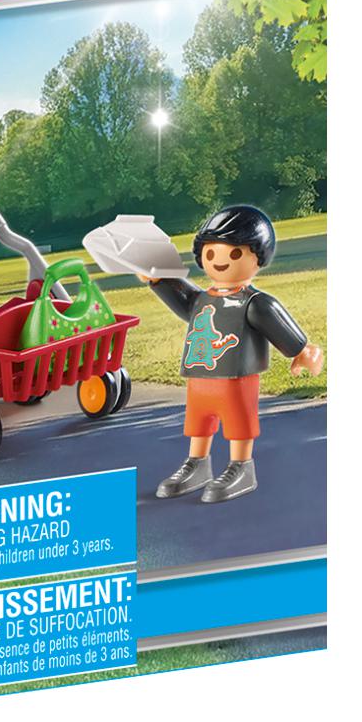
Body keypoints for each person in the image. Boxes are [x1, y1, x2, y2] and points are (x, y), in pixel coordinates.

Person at [140, 204, 323, 503]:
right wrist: (157, 279)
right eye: (211, 252)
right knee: (198, 421)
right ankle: (197, 463)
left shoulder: (254, 302)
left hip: (237, 378)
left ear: (257, 257)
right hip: (201, 375)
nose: (220, 260)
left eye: (235, 253)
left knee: (239, 422)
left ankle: (241, 466)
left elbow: (275, 321)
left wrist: (300, 348)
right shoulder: (201, 299)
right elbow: (183, 298)